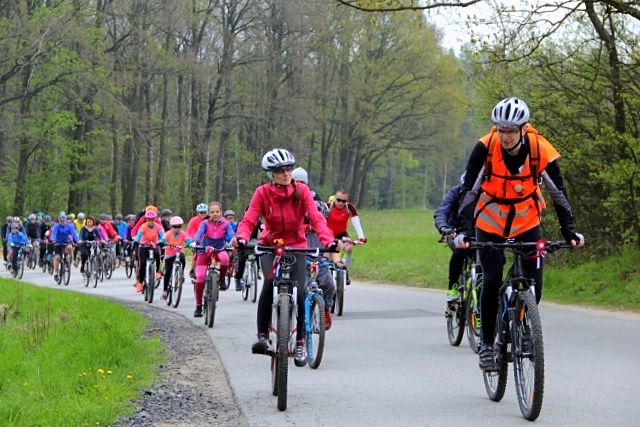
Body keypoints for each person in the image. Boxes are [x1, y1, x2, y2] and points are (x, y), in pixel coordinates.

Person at [455, 97, 584, 371]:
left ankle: (524, 328)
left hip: (526, 220)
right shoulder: (485, 148)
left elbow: (558, 192)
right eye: (501, 130)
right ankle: (488, 345)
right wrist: (464, 231)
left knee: (534, 286)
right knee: (491, 279)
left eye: (511, 131)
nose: (505, 136)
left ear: (524, 129)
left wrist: (569, 230)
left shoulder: (539, 149)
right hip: (490, 222)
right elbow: (469, 191)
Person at [231, 148, 339, 368]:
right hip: (270, 245)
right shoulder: (262, 193)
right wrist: (241, 236)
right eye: (280, 170)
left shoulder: (302, 191)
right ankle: (262, 336)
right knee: (269, 284)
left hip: (297, 245)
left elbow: (316, 218)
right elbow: (250, 218)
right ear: (271, 173)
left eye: (288, 169)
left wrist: (328, 240)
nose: (286, 173)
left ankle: (299, 341)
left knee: (300, 290)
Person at [434, 174, 475, 308]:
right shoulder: (455, 192)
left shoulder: (485, 193)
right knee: (461, 248)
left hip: (478, 232)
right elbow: (442, 211)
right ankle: (453, 287)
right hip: (455, 231)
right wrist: (444, 228)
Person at [189, 201, 235, 317]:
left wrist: (231, 241)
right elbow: (199, 234)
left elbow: (230, 235)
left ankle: (222, 279)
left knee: (225, 260)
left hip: (219, 249)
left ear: (221, 212)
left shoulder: (225, 224)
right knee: (200, 277)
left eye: (217, 211)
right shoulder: (204, 223)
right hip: (204, 250)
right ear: (209, 213)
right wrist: (195, 242)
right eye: (212, 212)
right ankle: (198, 306)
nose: (215, 214)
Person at [304, 200, 344, 330]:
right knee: (302, 288)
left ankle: (326, 310)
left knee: (330, 285)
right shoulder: (303, 231)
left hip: (321, 265)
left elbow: (333, 251)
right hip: (305, 265)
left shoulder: (328, 232)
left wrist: (338, 261)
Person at [326, 189, 366, 283]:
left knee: (348, 247)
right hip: (328, 234)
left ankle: (345, 271)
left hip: (341, 233)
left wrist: (361, 237)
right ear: (335, 198)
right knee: (327, 254)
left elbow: (356, 222)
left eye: (343, 201)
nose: (340, 203)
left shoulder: (349, 207)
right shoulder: (328, 206)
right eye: (338, 200)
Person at [159, 216, 193, 301]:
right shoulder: (168, 233)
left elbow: (188, 240)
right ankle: (165, 291)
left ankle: (181, 273)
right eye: (175, 226)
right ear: (171, 226)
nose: (177, 228)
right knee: (168, 271)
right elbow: (162, 240)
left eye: (179, 226)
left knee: (183, 259)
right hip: (169, 253)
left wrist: (191, 244)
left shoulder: (182, 233)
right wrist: (161, 244)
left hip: (179, 251)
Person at [132, 210, 165, 293]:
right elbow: (138, 235)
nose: (150, 221)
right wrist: (136, 241)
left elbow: (163, 236)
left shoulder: (158, 226)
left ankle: (157, 271)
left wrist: (161, 241)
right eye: (148, 220)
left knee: (157, 254)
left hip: (154, 245)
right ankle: (140, 283)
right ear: (146, 219)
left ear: (155, 219)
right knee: (142, 264)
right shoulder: (143, 226)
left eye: (152, 219)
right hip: (144, 245)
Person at [233, 206, 263, 291]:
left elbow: (264, 231)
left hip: (253, 241)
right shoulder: (241, 221)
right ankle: (238, 279)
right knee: (241, 261)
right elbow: (237, 231)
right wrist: (238, 240)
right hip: (242, 241)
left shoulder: (258, 222)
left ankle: (256, 270)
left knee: (258, 253)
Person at [50, 212, 80, 282]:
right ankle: (55, 272)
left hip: (66, 242)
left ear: (66, 220)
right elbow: (54, 234)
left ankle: (67, 260)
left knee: (69, 248)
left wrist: (77, 241)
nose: (62, 222)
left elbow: (74, 234)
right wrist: (54, 240)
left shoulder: (69, 226)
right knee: (57, 257)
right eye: (61, 221)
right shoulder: (56, 226)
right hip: (58, 243)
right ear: (59, 221)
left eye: (63, 221)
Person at [186, 203, 208, 279]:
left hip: (206, 240)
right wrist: (189, 241)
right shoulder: (193, 220)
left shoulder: (209, 220)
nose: (203, 214)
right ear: (198, 213)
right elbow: (188, 231)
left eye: (205, 212)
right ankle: (192, 270)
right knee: (196, 253)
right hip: (195, 239)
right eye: (201, 213)